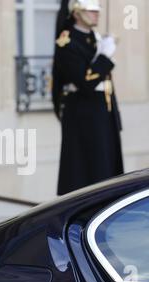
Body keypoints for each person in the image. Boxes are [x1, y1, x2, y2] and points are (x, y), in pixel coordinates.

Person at [52, 0, 124, 196]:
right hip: (84, 114)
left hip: (102, 111)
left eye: (96, 10)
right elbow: (86, 82)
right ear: (76, 13)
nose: (96, 13)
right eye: (90, 10)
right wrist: (105, 57)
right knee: (88, 172)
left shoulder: (94, 38)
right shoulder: (66, 42)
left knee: (108, 169)